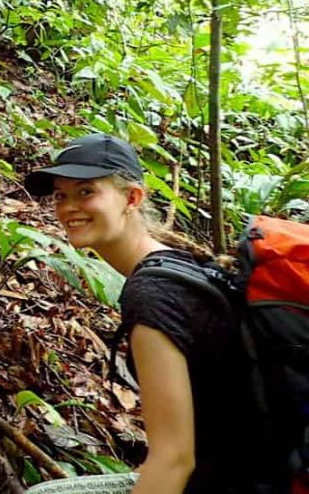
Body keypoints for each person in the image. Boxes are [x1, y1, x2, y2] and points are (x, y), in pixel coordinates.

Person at [23, 133, 265, 494]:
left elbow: (173, 460)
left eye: (86, 191)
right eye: (61, 195)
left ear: (132, 198)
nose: (68, 207)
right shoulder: (176, 264)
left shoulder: (154, 293)